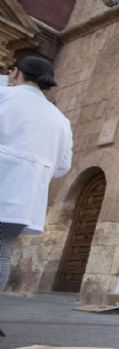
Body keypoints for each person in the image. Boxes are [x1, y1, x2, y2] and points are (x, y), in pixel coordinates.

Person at [0, 56, 73, 291]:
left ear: (15, 72)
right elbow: (62, 166)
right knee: (2, 253)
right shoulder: (60, 120)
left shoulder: (5, 96)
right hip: (23, 202)